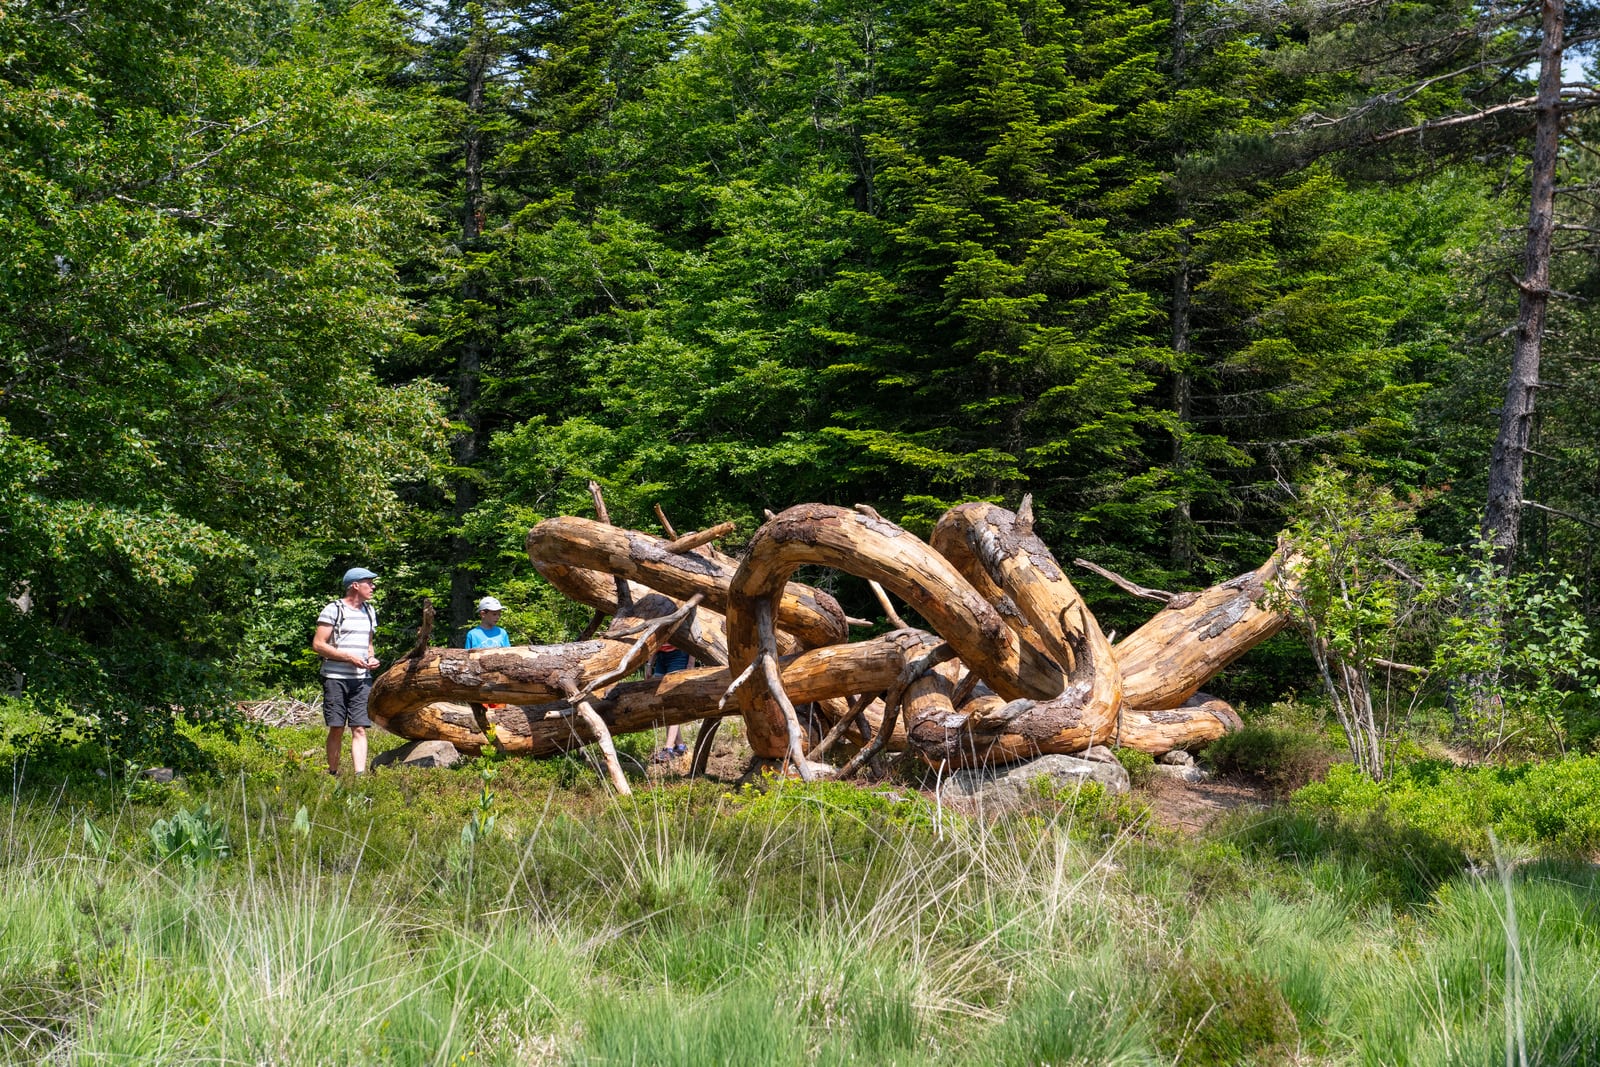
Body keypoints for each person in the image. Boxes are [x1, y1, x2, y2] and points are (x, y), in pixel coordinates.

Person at [312, 566, 380, 776]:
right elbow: (318, 644)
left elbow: (369, 644)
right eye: (369, 583)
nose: (373, 586)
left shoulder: (370, 611)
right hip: (335, 678)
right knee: (337, 727)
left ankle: (360, 777)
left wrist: (371, 658)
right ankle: (333, 774)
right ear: (355, 585)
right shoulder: (333, 609)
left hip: (361, 679)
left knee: (359, 727)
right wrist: (349, 658)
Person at [648, 642, 694, 763]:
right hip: (661, 657)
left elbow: (692, 637)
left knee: (673, 702)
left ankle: (668, 749)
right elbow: (655, 639)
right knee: (661, 702)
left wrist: (691, 662)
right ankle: (680, 746)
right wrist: (649, 664)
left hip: (679, 655)